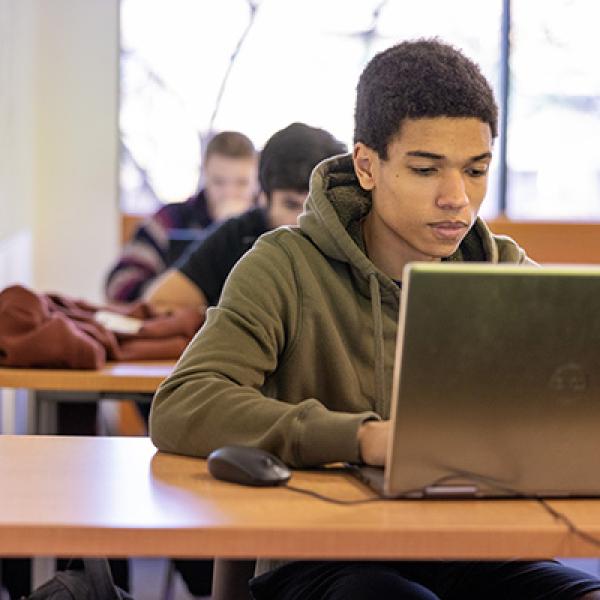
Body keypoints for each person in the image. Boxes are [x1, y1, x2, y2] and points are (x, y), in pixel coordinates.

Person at [149, 39, 600, 600]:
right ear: (367, 165)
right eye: (425, 169)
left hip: (471, 548)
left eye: (476, 169)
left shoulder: (505, 270)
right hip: (318, 554)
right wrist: (362, 439)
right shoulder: (283, 266)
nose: (457, 198)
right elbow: (183, 403)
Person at [143, 122, 346, 312]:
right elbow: (160, 302)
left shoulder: (352, 240)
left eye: (318, 206)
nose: (305, 220)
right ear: (263, 198)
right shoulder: (238, 234)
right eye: (291, 205)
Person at [105, 130, 258, 303]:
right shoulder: (169, 220)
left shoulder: (267, 227)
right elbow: (119, 284)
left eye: (242, 183)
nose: (229, 193)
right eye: (219, 182)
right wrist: (171, 292)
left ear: (257, 180)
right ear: (204, 174)